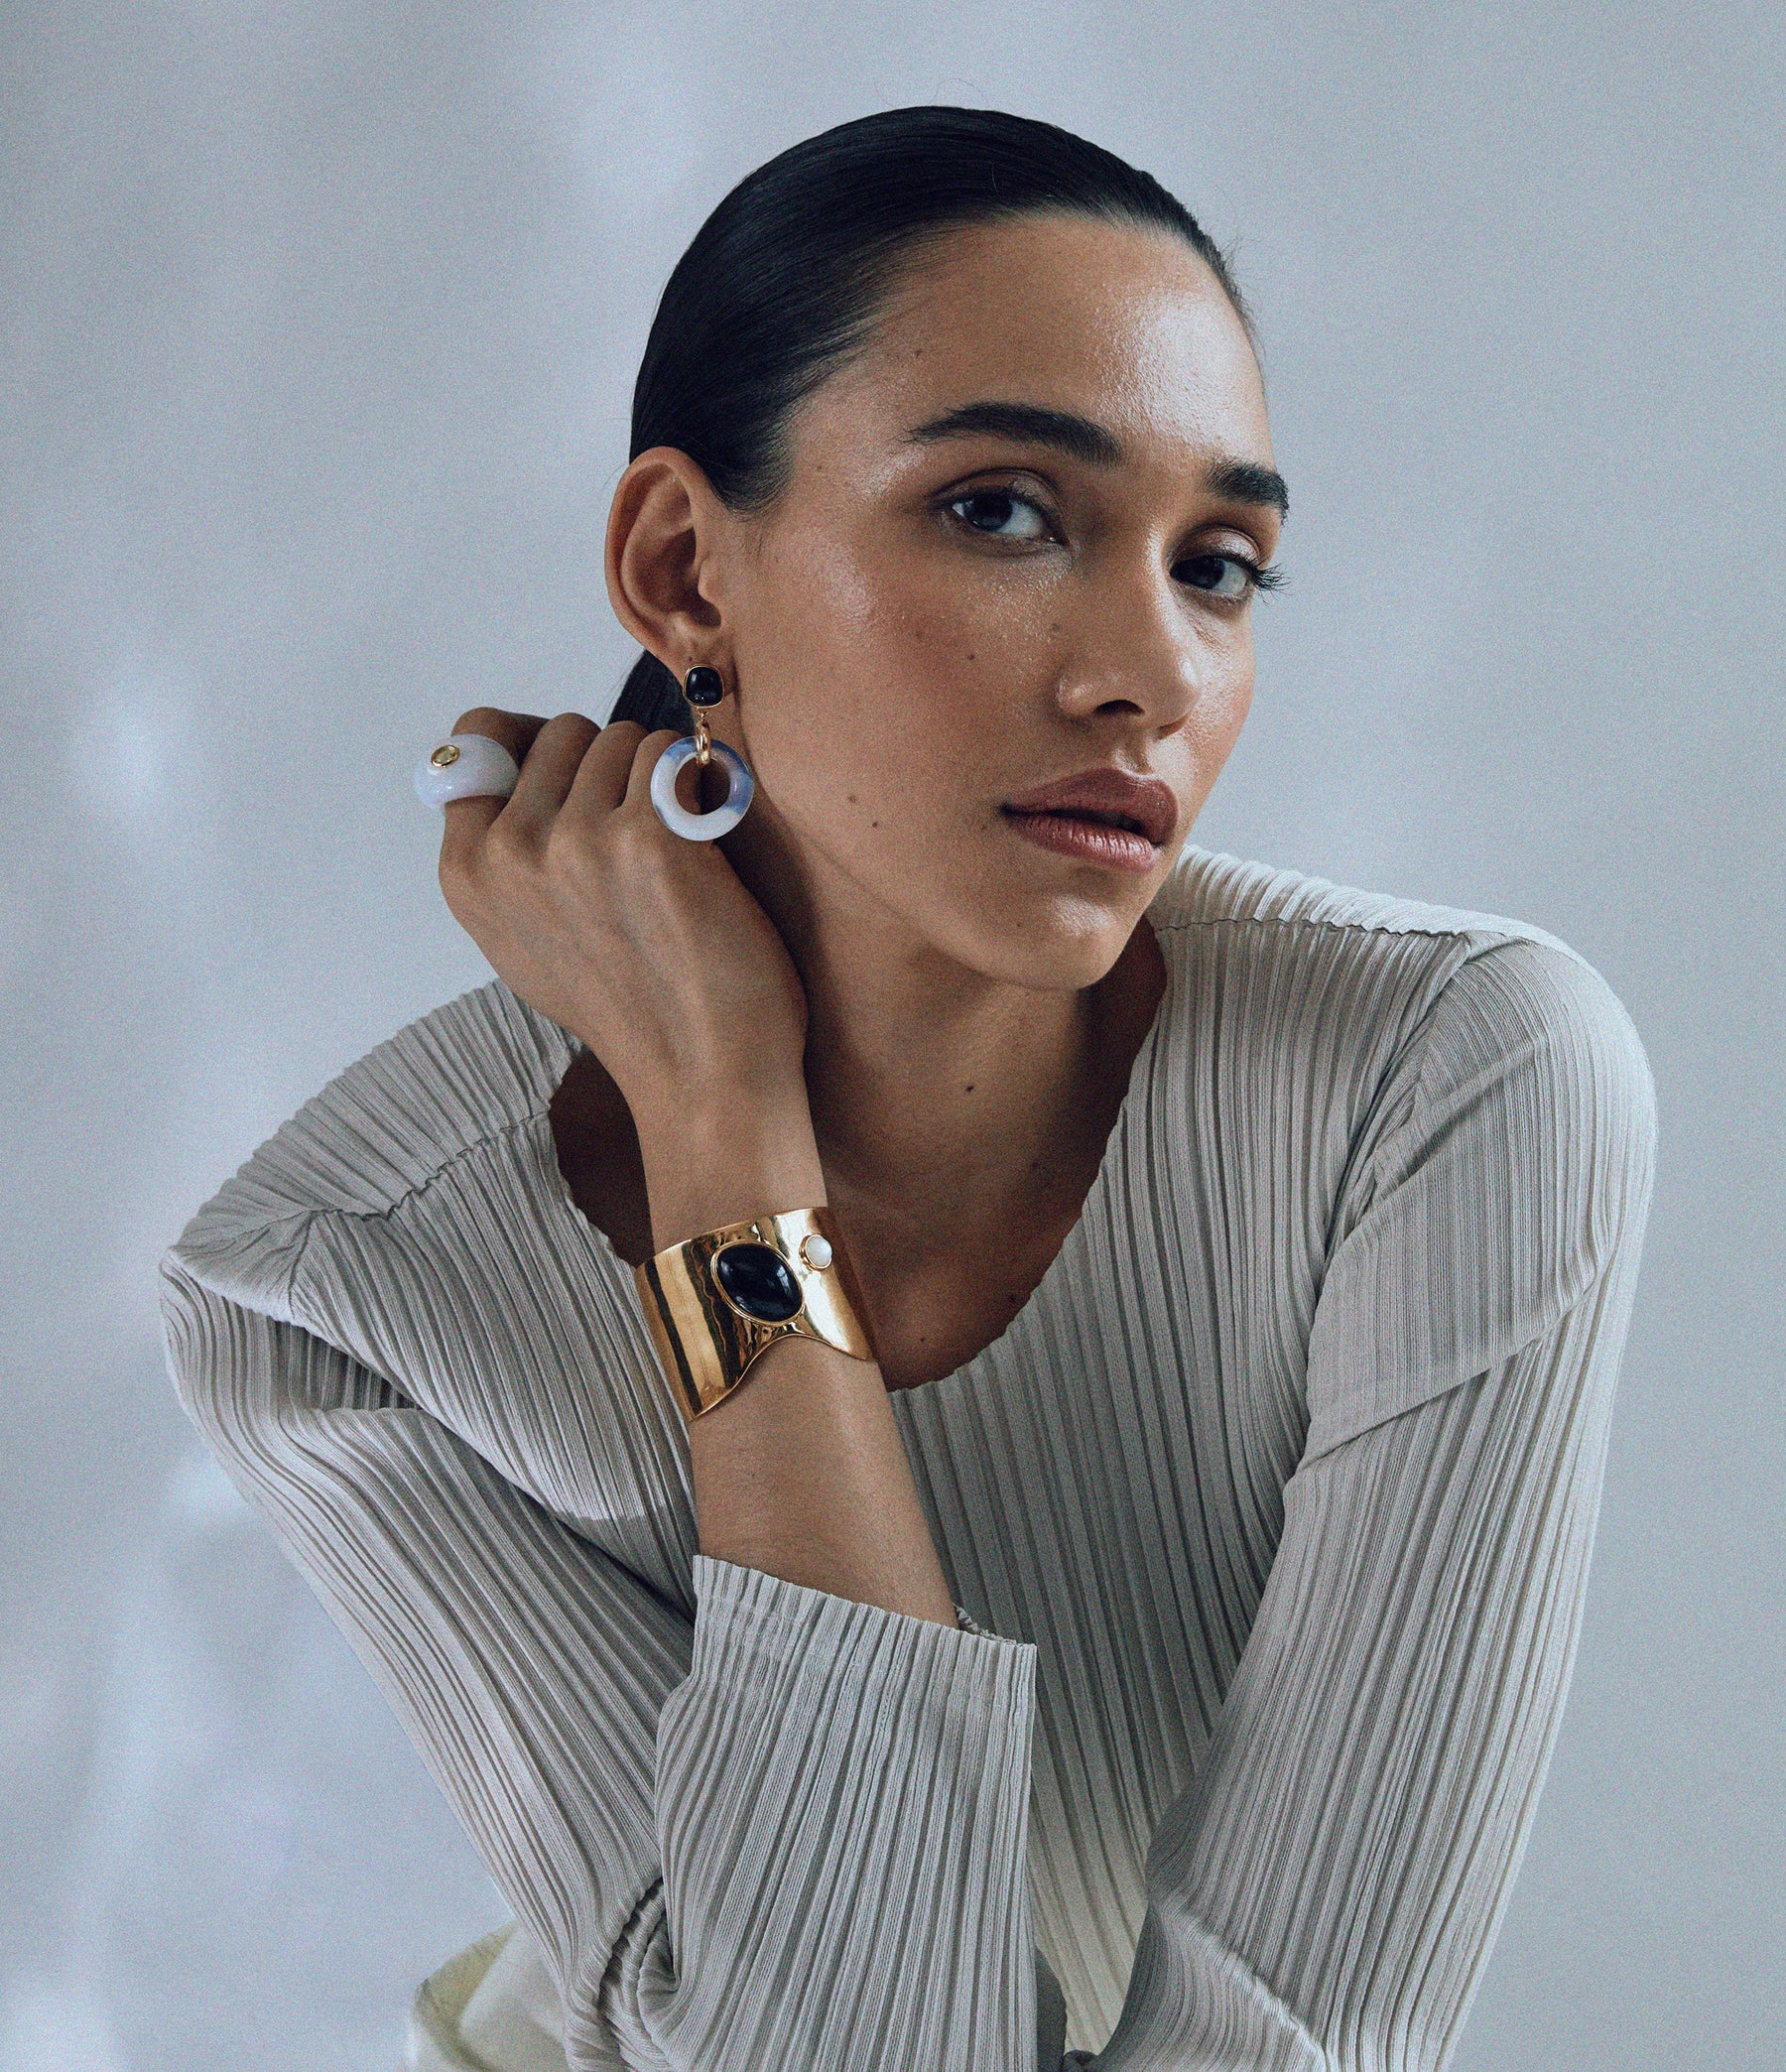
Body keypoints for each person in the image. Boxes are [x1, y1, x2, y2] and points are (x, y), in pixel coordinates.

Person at [158, 107, 1659, 2071]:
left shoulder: (1445, 1087)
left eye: (1221, 562)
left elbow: (1294, 2041)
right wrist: (723, 1134)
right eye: (1006, 511)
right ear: (686, 568)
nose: (1151, 671)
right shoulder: (330, 1293)